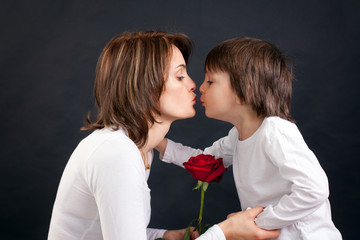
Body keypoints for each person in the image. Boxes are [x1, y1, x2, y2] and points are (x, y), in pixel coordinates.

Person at [48, 31, 280, 240]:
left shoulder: (136, 149)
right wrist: (224, 233)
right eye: (180, 76)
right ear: (145, 86)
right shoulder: (116, 153)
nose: (194, 85)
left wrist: (163, 236)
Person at [156, 37, 342, 239]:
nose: (200, 87)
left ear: (245, 92)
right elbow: (205, 163)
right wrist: (158, 142)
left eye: (210, 81)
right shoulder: (237, 135)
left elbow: (314, 190)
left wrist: (258, 222)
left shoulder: (275, 130)